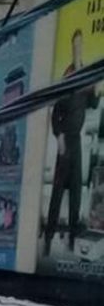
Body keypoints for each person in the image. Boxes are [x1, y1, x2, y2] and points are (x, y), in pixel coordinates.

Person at [46, 29, 101, 255]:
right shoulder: (67, 77)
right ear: (72, 47)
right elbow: (55, 113)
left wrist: (96, 91)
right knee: (58, 193)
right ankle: (48, 239)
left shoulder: (87, 76)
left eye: (81, 44)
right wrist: (58, 137)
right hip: (65, 142)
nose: (78, 48)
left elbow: (93, 105)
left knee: (77, 191)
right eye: (75, 44)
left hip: (77, 142)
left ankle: (72, 239)